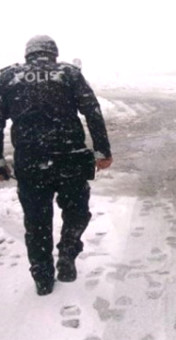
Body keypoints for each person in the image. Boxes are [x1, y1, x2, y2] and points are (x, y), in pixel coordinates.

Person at [0, 35, 113, 296]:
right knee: (77, 212)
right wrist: (102, 150)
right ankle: (68, 252)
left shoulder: (8, 78)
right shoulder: (69, 74)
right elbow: (92, 111)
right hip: (70, 158)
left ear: (28, 54)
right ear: (54, 54)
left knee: (36, 222)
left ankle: (42, 278)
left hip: (30, 162)